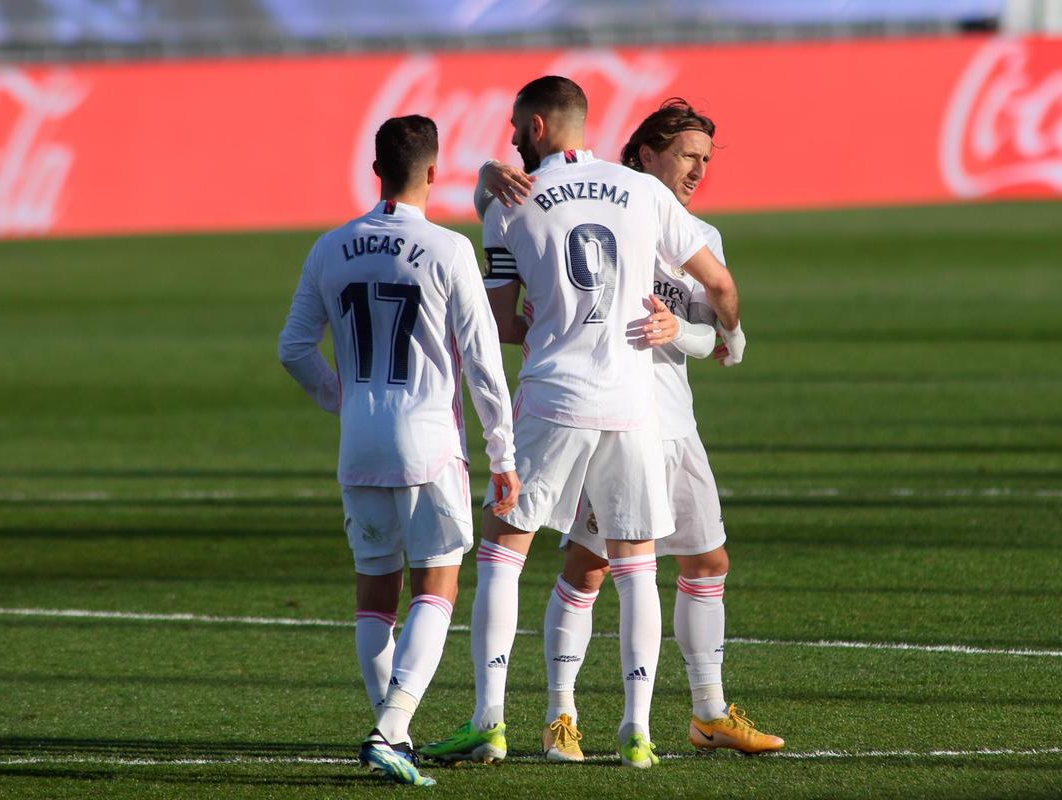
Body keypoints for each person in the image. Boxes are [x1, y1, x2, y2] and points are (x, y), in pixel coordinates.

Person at [420, 77, 746, 770]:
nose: (509, 139)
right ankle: (637, 733)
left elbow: (504, 320)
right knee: (635, 568)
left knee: (504, 553)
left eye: (514, 127)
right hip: (633, 404)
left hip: (553, 397)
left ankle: (491, 721)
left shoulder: (512, 200)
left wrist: (534, 308)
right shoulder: (645, 193)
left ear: (536, 128)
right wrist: (726, 333)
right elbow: (718, 288)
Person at [277, 114, 520, 787]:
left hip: (360, 440)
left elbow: (293, 348)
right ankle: (391, 727)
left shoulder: (330, 246)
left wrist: (342, 398)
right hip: (427, 444)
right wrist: (503, 454)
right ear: (434, 173)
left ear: (375, 169)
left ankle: (398, 734)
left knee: (374, 599)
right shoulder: (448, 249)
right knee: (435, 589)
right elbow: (482, 361)